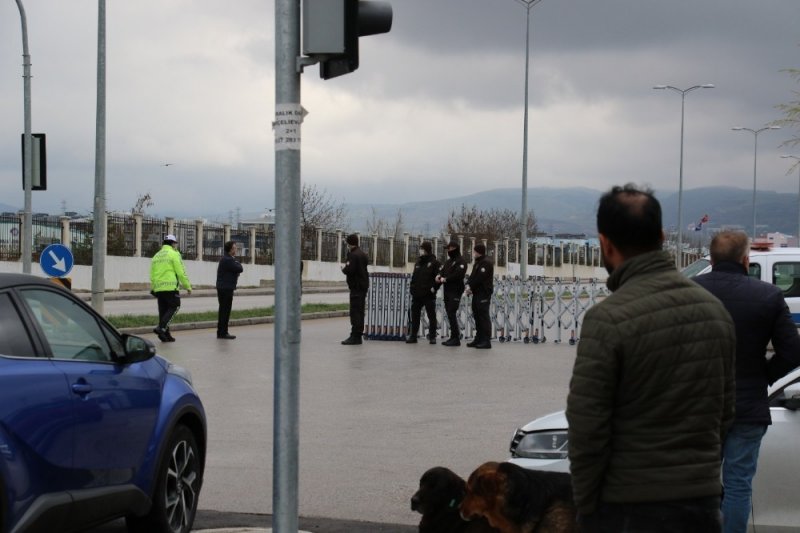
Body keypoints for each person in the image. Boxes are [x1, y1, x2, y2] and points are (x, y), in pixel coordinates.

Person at [565, 184, 736, 533]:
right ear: (661, 236)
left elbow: (587, 427)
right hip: (701, 502)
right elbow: (725, 412)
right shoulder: (715, 311)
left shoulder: (608, 318)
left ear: (604, 243)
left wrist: (585, 506)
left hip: (628, 507)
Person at [693, 230, 800, 533]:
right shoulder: (768, 296)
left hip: (698, 407)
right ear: (745, 259)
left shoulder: (687, 292)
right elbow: (792, 352)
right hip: (748, 405)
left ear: (711, 259)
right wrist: (764, 375)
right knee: (738, 484)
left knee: (699, 484)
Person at [150, 234, 192, 342]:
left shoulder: (156, 255)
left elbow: (152, 274)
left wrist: (153, 288)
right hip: (170, 286)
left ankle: (165, 335)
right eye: (175, 244)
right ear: (173, 244)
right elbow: (180, 272)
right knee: (175, 307)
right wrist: (187, 286)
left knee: (163, 312)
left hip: (159, 288)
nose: (176, 246)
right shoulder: (174, 254)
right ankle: (161, 328)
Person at [407, 242, 441, 344]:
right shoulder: (418, 262)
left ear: (426, 249)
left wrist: (434, 289)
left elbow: (438, 279)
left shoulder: (435, 263)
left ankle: (432, 336)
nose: (420, 250)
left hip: (428, 294)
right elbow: (414, 277)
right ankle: (413, 336)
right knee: (415, 315)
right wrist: (412, 288)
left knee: (431, 316)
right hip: (417, 294)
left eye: (421, 248)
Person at [436, 240, 467, 346]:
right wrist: (439, 276)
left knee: (452, 312)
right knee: (449, 313)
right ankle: (453, 336)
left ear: (454, 248)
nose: (448, 251)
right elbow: (442, 270)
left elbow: (459, 274)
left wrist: (446, 279)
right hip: (448, 291)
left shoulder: (461, 261)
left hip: (456, 290)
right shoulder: (449, 262)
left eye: (449, 249)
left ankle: (456, 338)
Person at [341, 233, 369, 345]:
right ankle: (358, 334)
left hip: (356, 287)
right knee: (360, 311)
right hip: (362, 286)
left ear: (349, 243)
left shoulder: (353, 255)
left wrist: (344, 269)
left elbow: (350, 270)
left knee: (355, 312)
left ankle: (355, 336)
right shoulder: (362, 254)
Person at [465, 243, 493, 349]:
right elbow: (472, 277)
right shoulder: (478, 263)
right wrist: (467, 285)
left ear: (478, 252)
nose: (473, 253)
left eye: (474, 251)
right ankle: (479, 338)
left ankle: (486, 340)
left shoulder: (486, 263)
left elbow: (480, 278)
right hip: (477, 293)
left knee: (483, 317)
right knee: (477, 316)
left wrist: (470, 287)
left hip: (484, 293)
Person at [216, 240, 243, 340]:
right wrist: (237, 263)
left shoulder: (228, 259)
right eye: (235, 248)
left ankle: (221, 332)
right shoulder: (228, 260)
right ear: (231, 249)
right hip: (226, 288)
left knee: (223, 310)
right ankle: (223, 332)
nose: (236, 249)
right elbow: (240, 268)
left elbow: (237, 267)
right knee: (225, 311)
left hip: (224, 287)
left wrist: (236, 263)